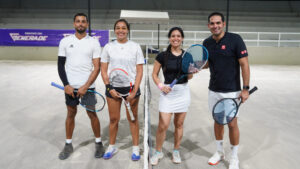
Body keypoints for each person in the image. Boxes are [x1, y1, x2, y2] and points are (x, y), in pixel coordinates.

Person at [203, 12, 250, 169]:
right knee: (217, 121)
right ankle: (219, 151)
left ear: (223, 24)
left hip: (232, 91)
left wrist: (245, 89)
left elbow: (244, 64)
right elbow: (207, 63)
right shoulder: (207, 42)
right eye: (212, 23)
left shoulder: (235, 39)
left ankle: (234, 157)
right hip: (214, 90)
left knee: (231, 124)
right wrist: (195, 67)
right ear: (208, 25)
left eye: (218, 23)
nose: (215, 26)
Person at [57, 13, 104, 160]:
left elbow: (96, 68)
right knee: (70, 115)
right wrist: (66, 85)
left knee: (92, 114)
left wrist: (86, 86)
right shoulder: (65, 41)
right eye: (78, 21)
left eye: (83, 21)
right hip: (71, 88)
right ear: (73, 24)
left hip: (88, 88)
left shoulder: (94, 43)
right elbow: (60, 65)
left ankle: (98, 142)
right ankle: (68, 144)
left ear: (87, 24)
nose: (81, 24)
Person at [100, 19, 144, 161]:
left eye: (123, 28)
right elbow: (104, 70)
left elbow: (139, 70)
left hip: (131, 88)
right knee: (114, 119)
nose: (121, 30)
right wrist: (109, 88)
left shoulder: (136, 47)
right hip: (113, 88)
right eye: (118, 28)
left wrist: (134, 91)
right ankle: (112, 146)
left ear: (128, 30)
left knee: (132, 119)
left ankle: (136, 148)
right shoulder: (108, 47)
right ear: (114, 30)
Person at [150, 27, 193, 165]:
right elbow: (154, 74)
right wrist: (161, 86)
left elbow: (189, 76)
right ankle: (158, 151)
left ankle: (176, 151)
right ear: (169, 38)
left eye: (178, 36)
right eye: (173, 36)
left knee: (179, 124)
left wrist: (192, 71)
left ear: (182, 38)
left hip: (183, 92)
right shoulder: (162, 55)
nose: (176, 38)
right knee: (163, 125)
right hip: (167, 93)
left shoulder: (188, 56)